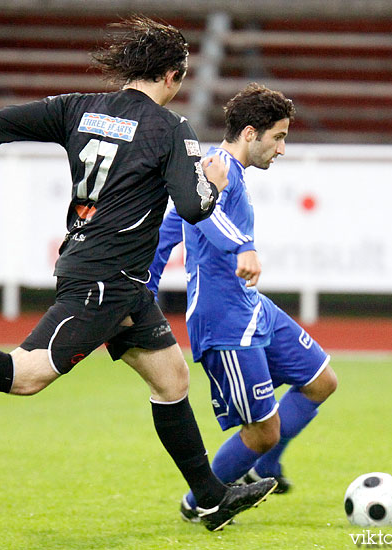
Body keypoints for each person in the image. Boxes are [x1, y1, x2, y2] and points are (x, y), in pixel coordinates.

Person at [0, 17, 277, 532]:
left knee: (171, 379)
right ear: (171, 76)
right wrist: (211, 181)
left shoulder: (78, 108)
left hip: (115, 279)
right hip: (104, 280)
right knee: (27, 375)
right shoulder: (171, 130)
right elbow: (191, 207)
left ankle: (209, 497)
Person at [146, 83, 338, 522]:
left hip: (252, 308)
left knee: (321, 381)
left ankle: (264, 467)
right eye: (279, 137)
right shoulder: (216, 169)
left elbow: (171, 225)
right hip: (225, 321)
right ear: (251, 133)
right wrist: (243, 247)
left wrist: (148, 285)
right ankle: (200, 504)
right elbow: (204, 215)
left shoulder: (221, 168)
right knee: (263, 431)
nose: (283, 148)